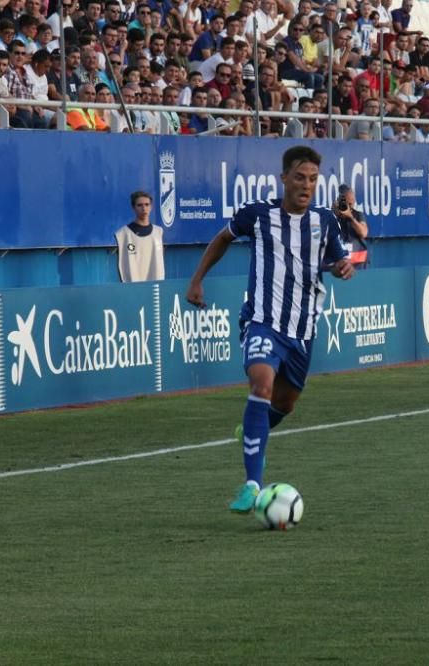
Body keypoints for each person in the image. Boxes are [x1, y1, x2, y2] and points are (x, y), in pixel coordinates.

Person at [186, 146, 354, 513]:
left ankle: (250, 428)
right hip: (261, 321)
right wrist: (197, 280)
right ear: (284, 179)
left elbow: (338, 259)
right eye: (299, 177)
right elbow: (222, 239)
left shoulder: (325, 221)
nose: (306, 185)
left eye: (312, 179)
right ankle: (251, 485)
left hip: (302, 329)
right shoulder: (258, 214)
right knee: (261, 383)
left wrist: (343, 267)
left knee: (285, 404)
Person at [116, 191, 165, 282]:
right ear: (133, 207)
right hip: (134, 290)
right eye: (140, 205)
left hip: (155, 289)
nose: (144, 208)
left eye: (147, 205)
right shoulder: (123, 234)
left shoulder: (159, 232)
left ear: (151, 207)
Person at [333, 184, 369, 267]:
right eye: (347, 204)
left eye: (352, 204)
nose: (349, 207)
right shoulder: (333, 216)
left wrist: (351, 218)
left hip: (358, 264)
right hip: (340, 265)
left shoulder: (357, 215)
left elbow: (364, 233)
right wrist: (335, 214)